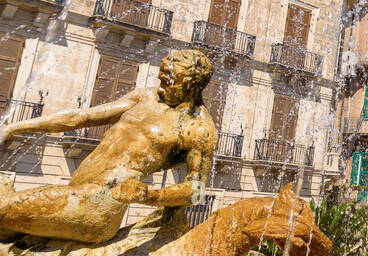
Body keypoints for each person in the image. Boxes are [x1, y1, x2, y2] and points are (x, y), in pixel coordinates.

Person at [0, 49, 216, 244]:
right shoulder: (147, 97)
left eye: (170, 81)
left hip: (97, 205)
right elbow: (81, 117)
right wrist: (14, 128)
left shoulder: (199, 128)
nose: (161, 86)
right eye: (161, 77)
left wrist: (149, 196)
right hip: (73, 191)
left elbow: (197, 190)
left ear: (191, 85)